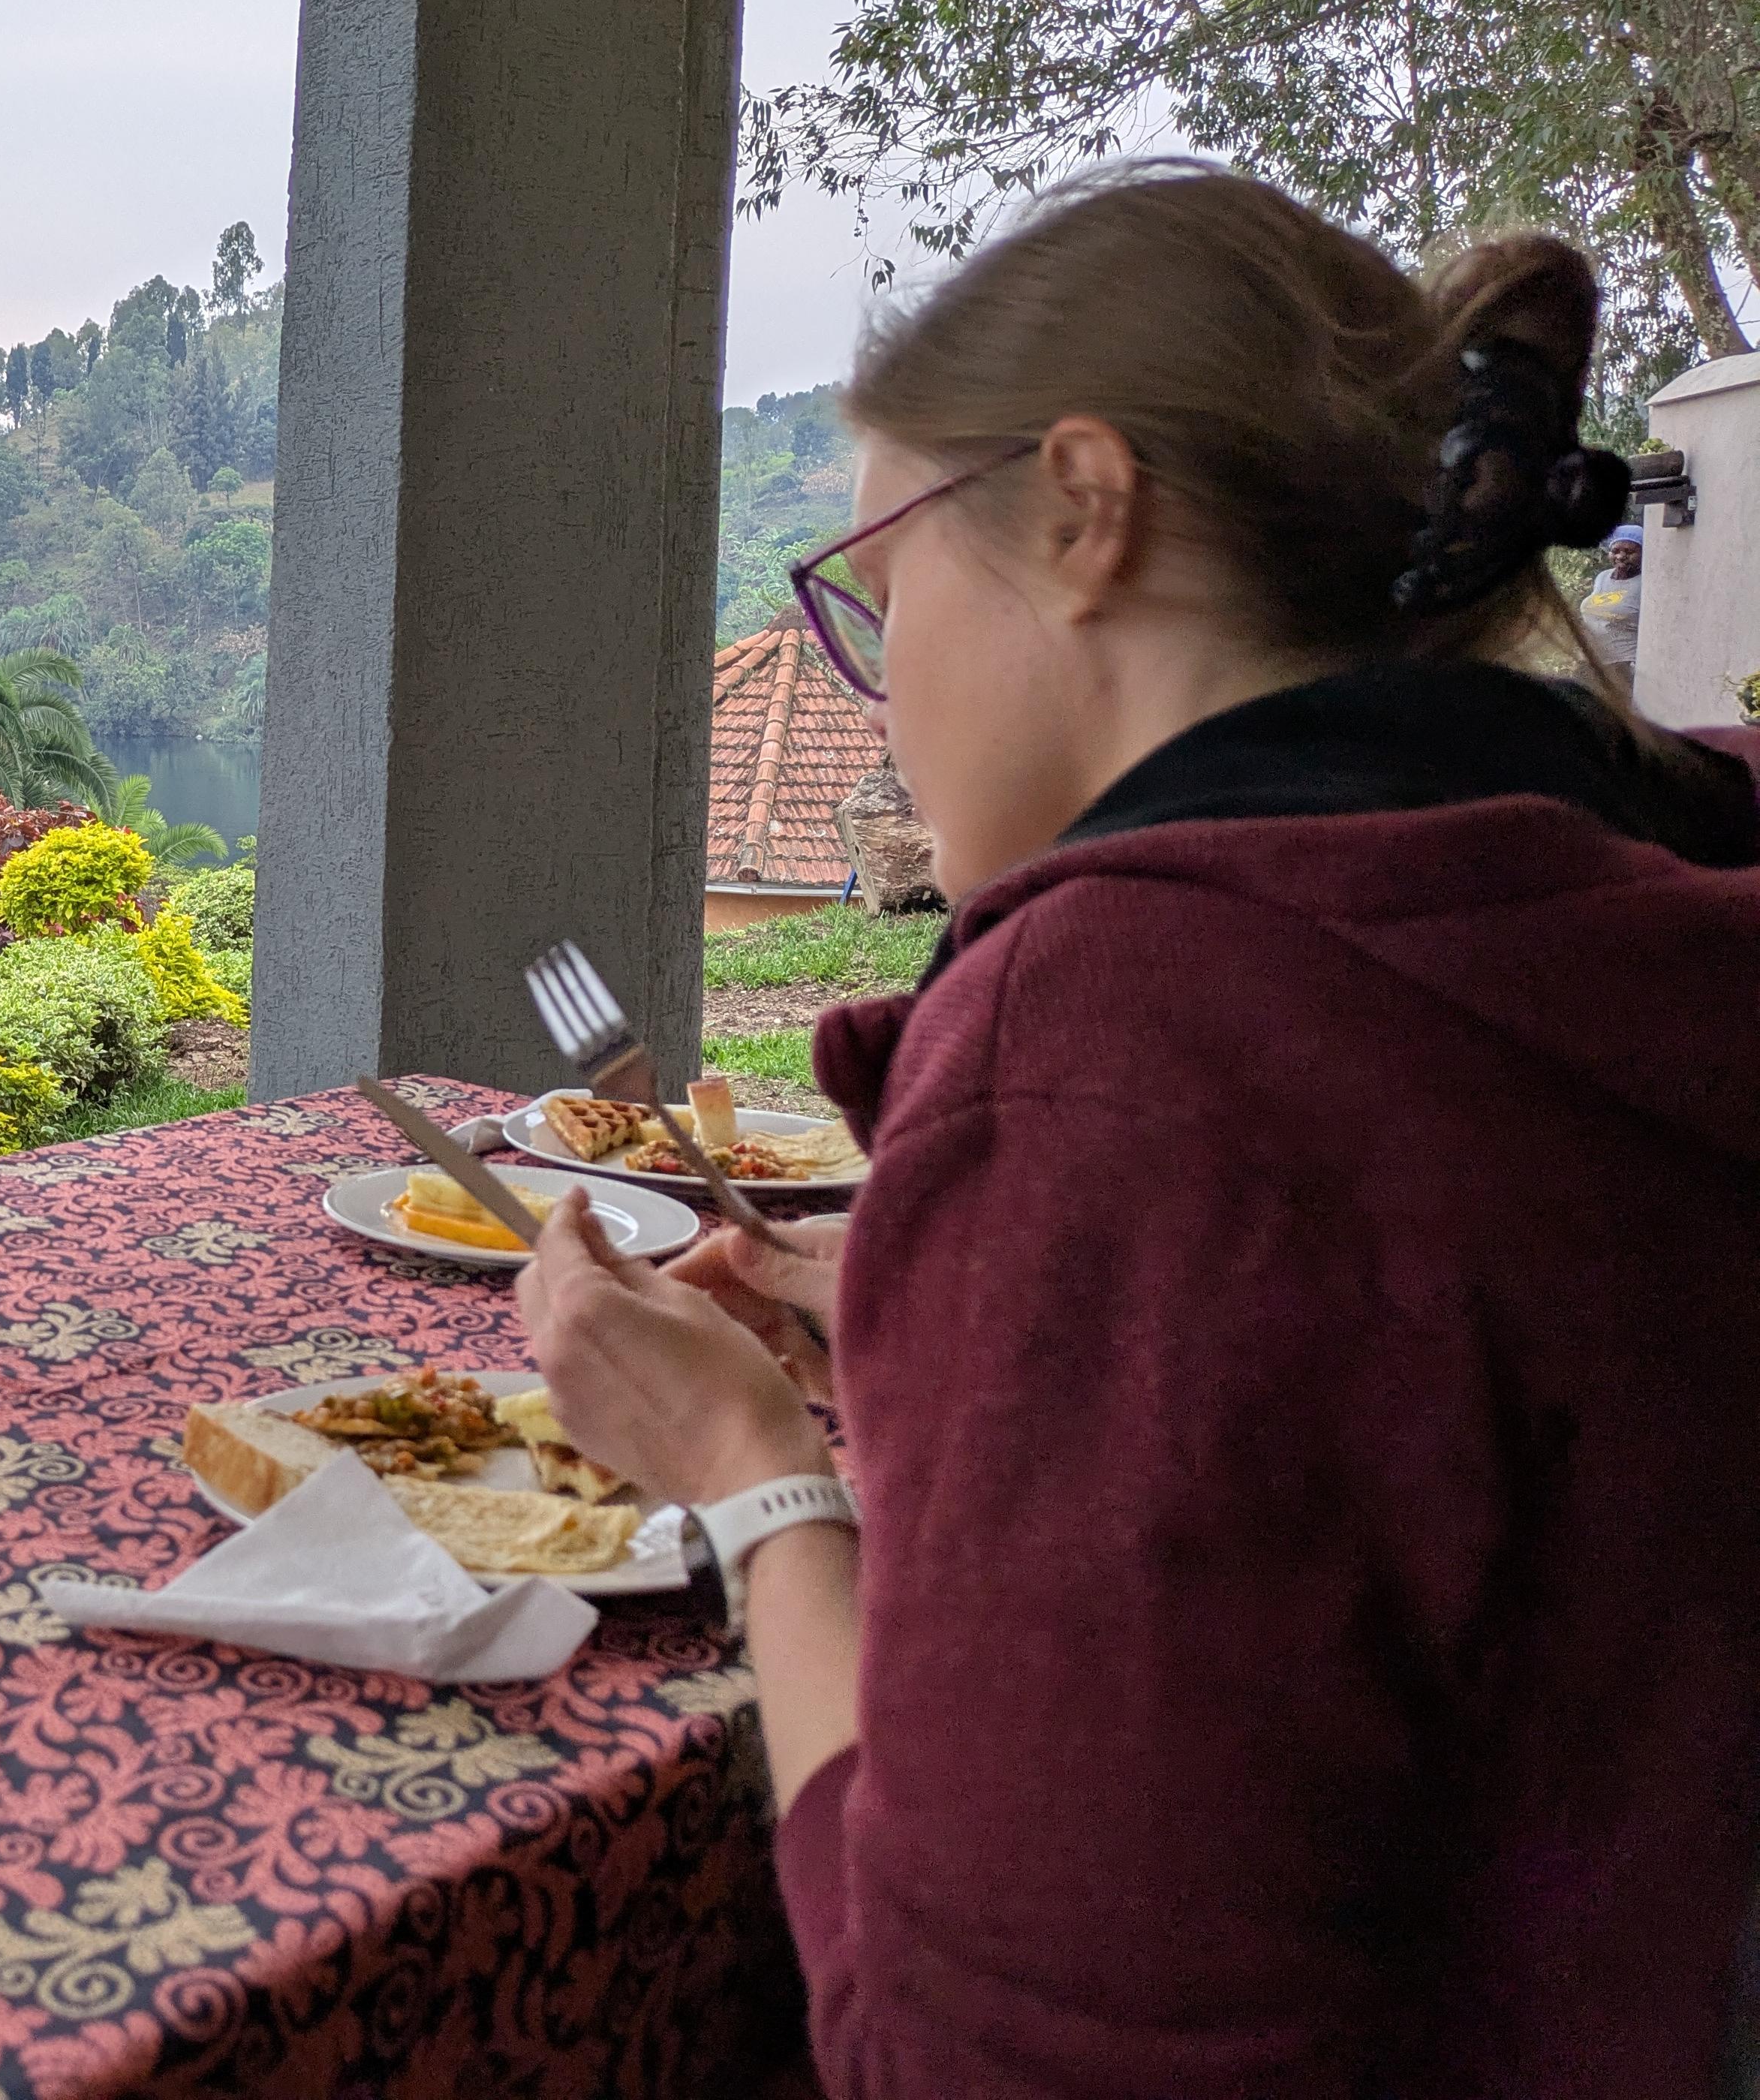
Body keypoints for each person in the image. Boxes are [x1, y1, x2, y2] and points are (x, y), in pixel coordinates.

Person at [516, 167, 1760, 2098]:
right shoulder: (1590, 913)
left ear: (1082, 510)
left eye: (880, 597)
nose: (878, 696)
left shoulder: (1120, 1045)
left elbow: (972, 2059)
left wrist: (748, 1472)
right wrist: (938, 1320)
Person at [1582, 522, 1644, 693]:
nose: (1621, 556)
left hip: (1624, 665)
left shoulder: (1644, 583)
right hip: (1594, 662)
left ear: (1643, 553)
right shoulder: (1603, 577)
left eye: (1629, 552)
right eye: (1615, 551)